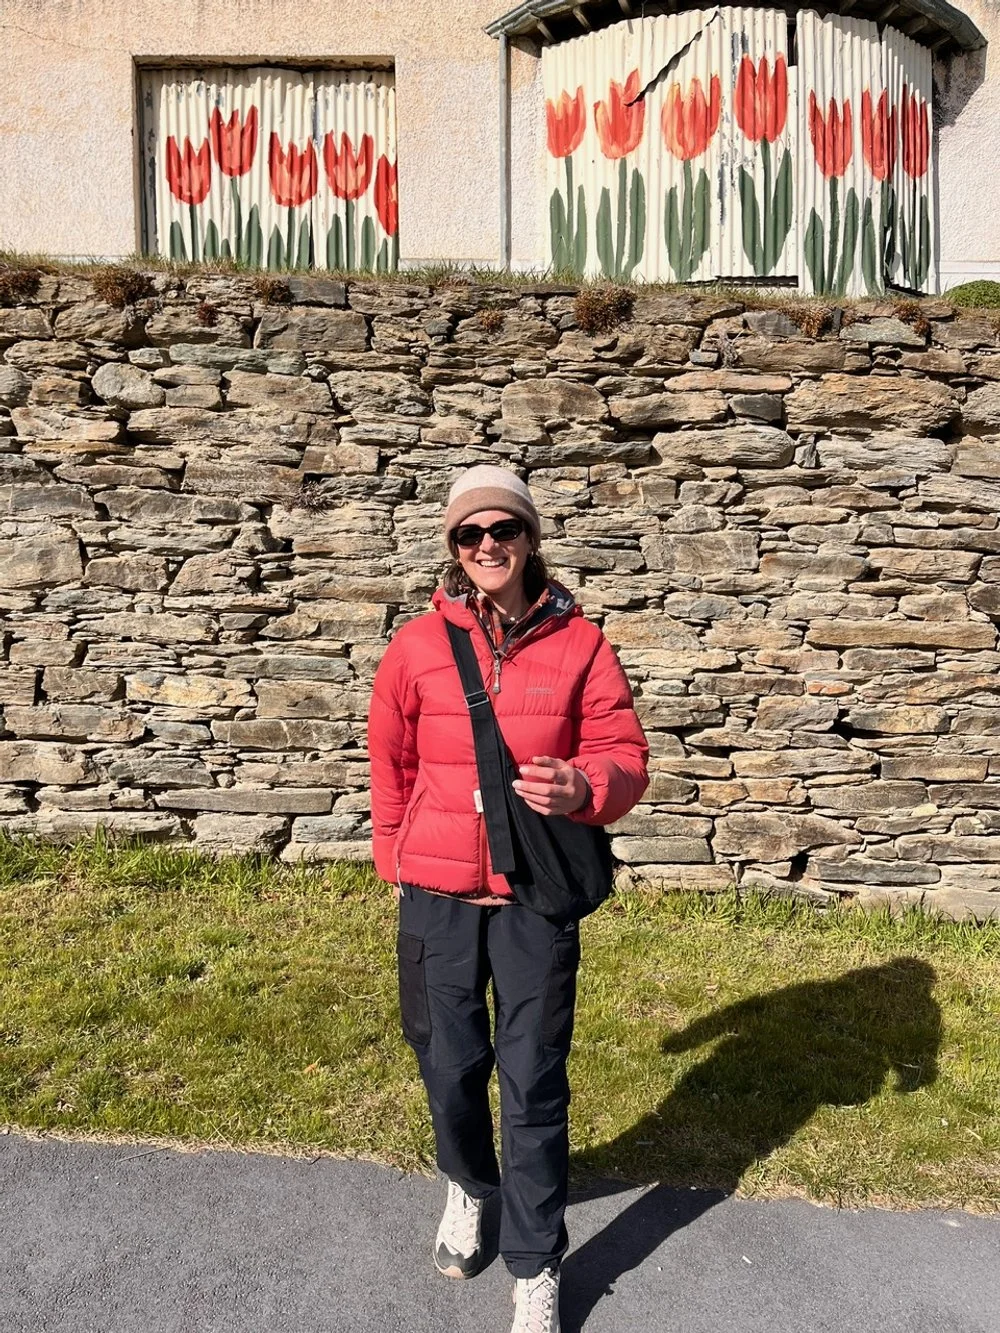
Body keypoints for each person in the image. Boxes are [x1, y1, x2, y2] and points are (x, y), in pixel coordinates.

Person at [368, 465, 649, 1333]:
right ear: (453, 547)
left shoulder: (583, 643)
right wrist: (397, 856)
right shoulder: (417, 644)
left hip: (534, 896)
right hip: (439, 891)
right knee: (448, 1066)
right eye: (469, 534)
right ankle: (468, 1184)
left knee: (533, 1083)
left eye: (504, 529)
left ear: (530, 538)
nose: (488, 545)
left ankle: (536, 1263)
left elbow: (624, 752)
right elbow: (389, 757)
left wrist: (587, 784)